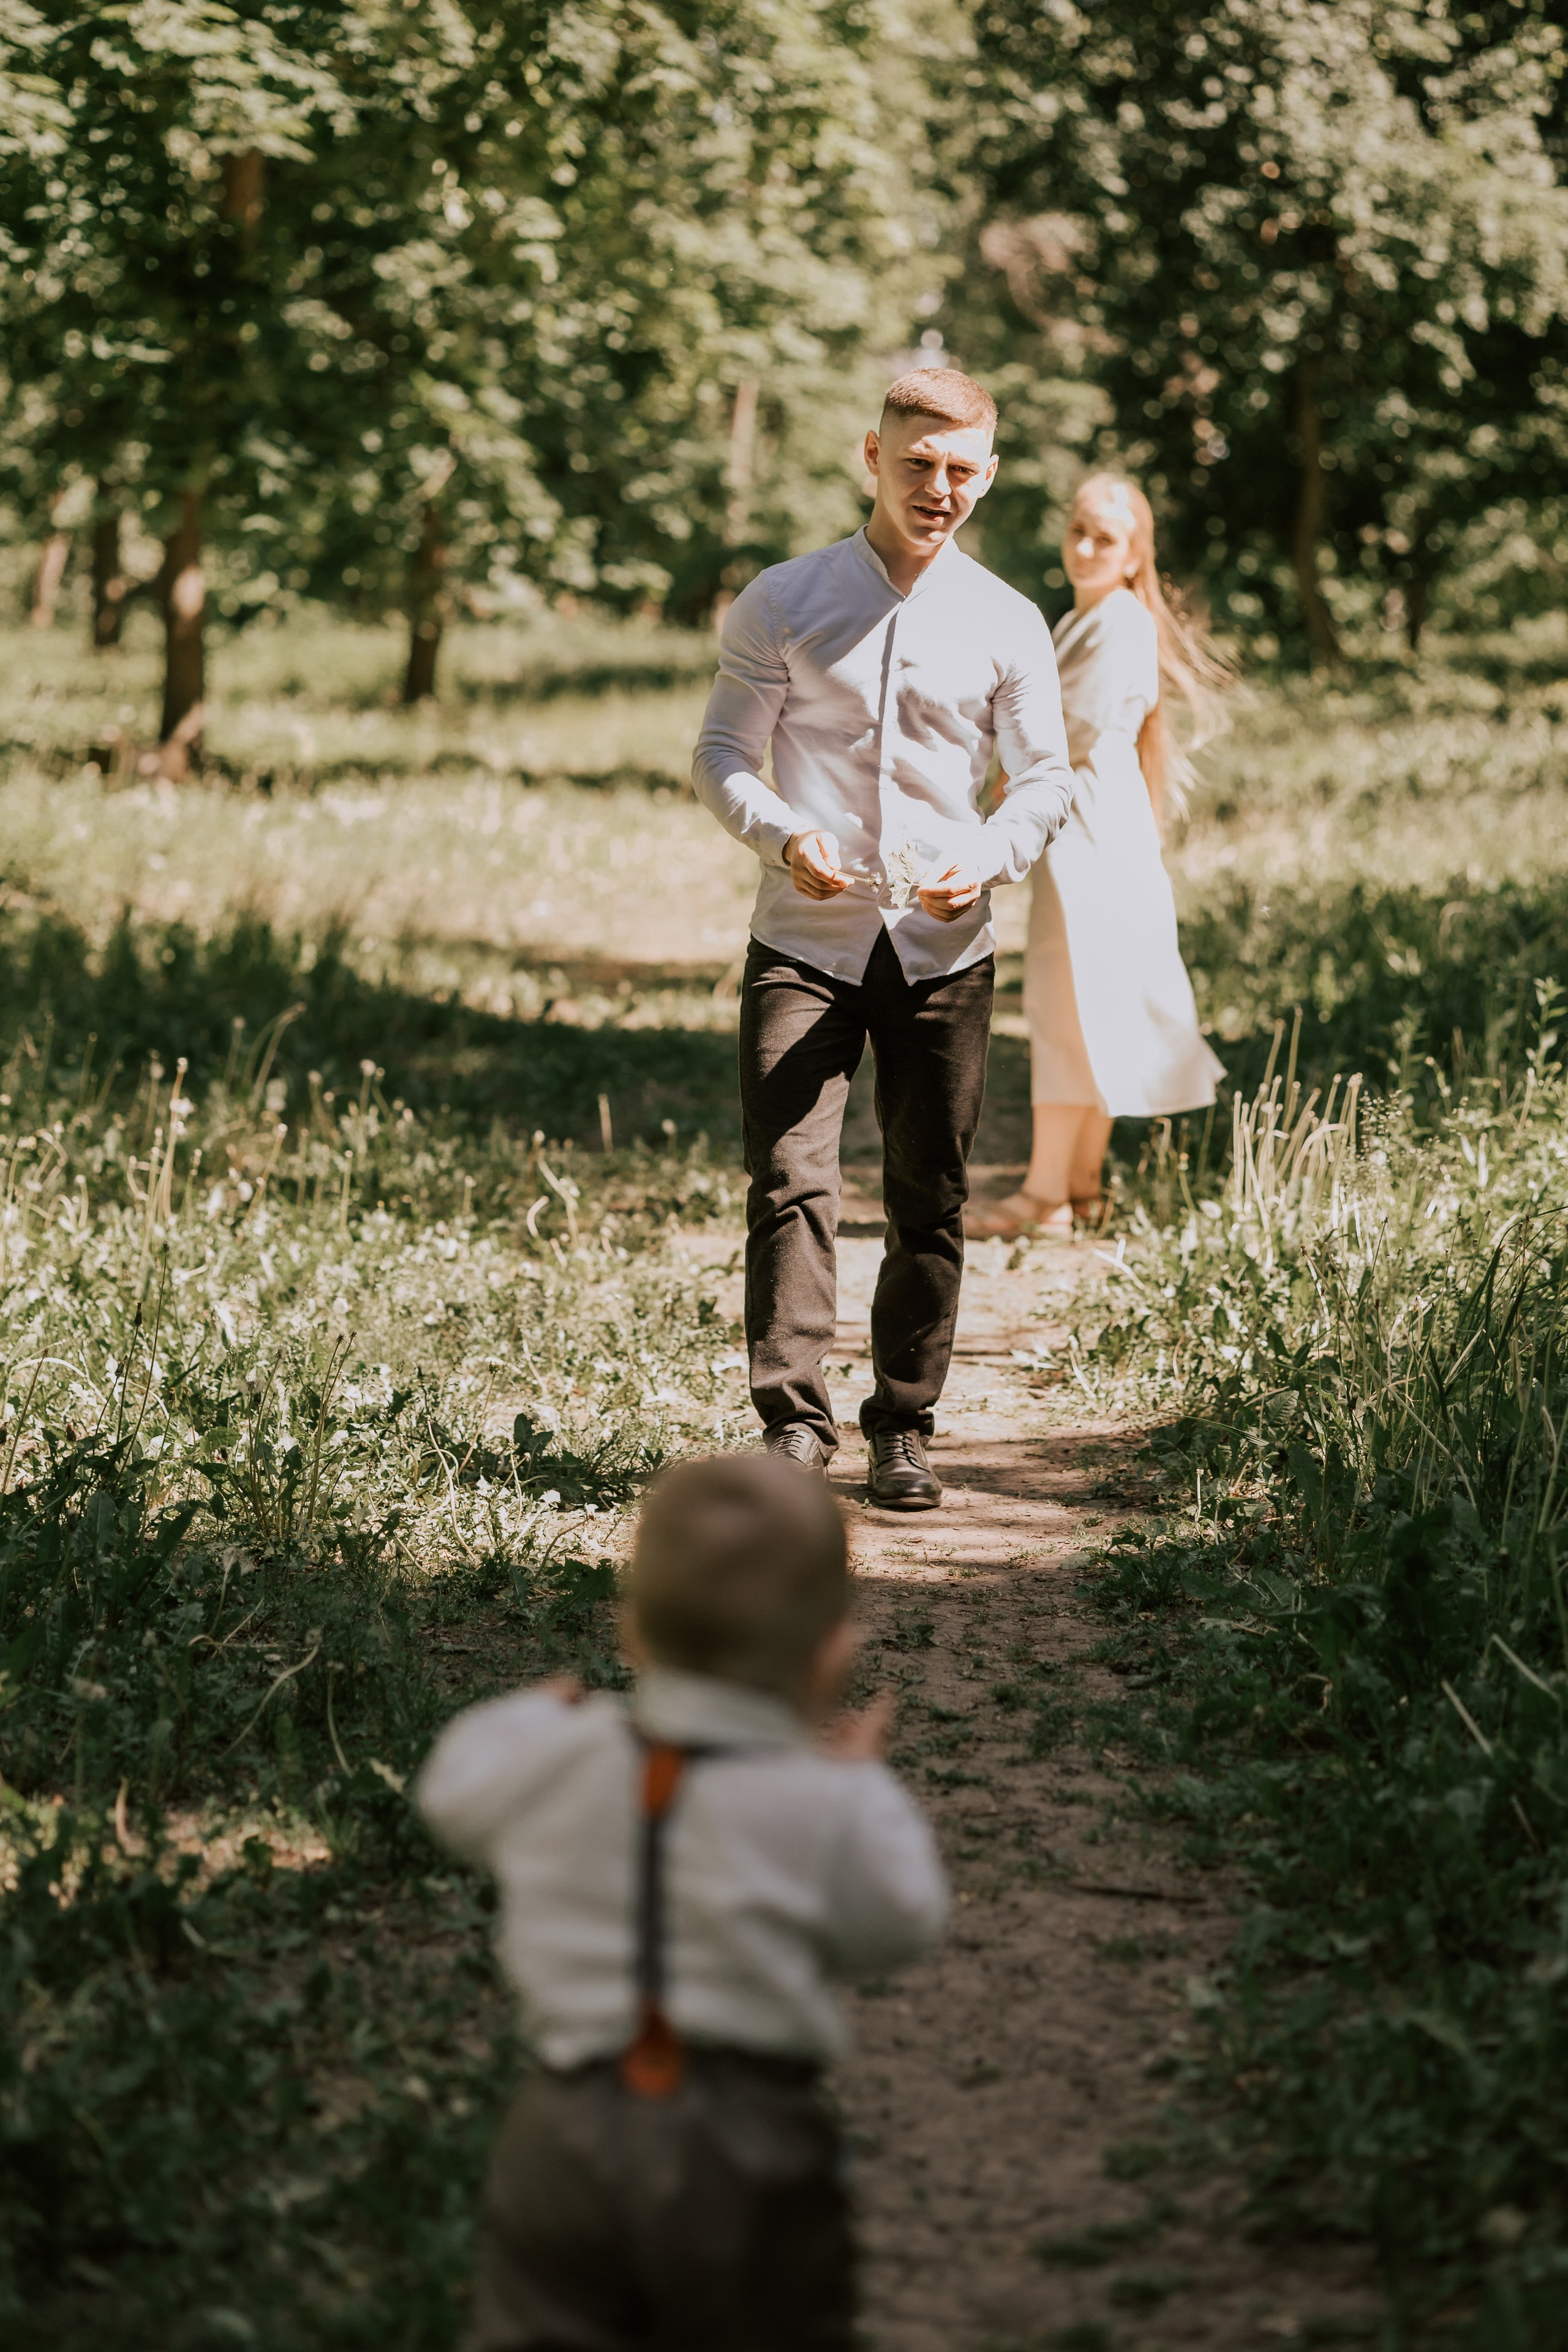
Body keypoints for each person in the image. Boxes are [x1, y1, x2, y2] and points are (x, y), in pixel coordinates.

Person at [417, 1450, 947, 2352]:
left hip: (566, 2128)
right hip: (751, 2140)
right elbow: (903, 1921)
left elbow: (450, 1791)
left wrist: (534, 1713)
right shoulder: (823, 1799)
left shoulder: (562, 1756)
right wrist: (866, 1788)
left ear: (632, 1637)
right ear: (832, 1660)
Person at [692, 368, 1075, 1509]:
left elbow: (1047, 781)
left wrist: (992, 857)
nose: (939, 487)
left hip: (943, 953)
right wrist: (781, 834)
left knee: (931, 1193)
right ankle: (794, 1429)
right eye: (918, 462)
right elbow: (721, 756)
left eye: (963, 470)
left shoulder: (1008, 620)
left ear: (989, 476)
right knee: (790, 1183)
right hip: (803, 939)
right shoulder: (785, 598)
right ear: (873, 454)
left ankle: (905, 1425)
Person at [967, 474, 1229, 1242]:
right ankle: (1075, 1188)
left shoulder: (1116, 622)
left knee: (1065, 1001)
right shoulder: (1086, 621)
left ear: (1134, 552)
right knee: (1081, 1005)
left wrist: (990, 777)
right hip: (1087, 827)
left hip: (1089, 829)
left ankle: (1045, 1193)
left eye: (1104, 538)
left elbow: (1060, 731)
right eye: (1077, 530)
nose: (1084, 548)